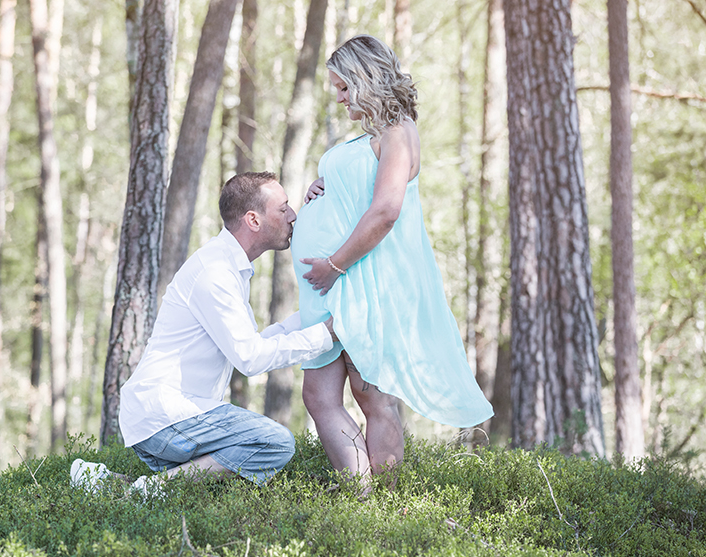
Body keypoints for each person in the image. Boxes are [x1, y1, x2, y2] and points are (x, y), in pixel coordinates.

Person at [290, 35, 493, 486]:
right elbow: (359, 191)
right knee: (319, 394)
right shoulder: (372, 136)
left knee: (370, 393)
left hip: (360, 279)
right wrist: (321, 187)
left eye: (344, 87)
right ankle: (359, 492)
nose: (339, 98)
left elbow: (385, 210)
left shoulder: (398, 133)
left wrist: (335, 264)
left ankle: (384, 502)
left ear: (365, 80)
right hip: (333, 284)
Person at [71, 172, 337, 494]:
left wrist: (316, 317)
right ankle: (145, 492)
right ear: (253, 220)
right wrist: (325, 335)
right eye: (283, 209)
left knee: (225, 469)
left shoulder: (228, 266)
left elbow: (252, 344)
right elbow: (250, 359)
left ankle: (112, 483)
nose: (292, 215)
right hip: (165, 418)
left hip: (165, 418)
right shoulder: (216, 273)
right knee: (275, 442)